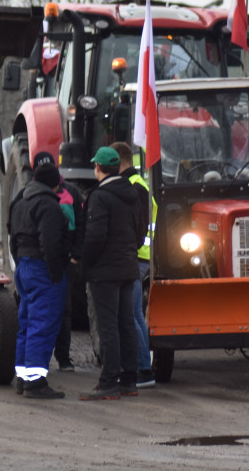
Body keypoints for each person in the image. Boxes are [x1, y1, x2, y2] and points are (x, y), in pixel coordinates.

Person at [79, 146, 141, 401]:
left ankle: (108, 383)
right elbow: (139, 231)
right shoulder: (133, 193)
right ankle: (129, 381)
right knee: (126, 324)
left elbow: (95, 236)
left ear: (98, 168)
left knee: (108, 328)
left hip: (105, 272)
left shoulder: (100, 197)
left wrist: (84, 264)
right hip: (128, 267)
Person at [9, 157, 69, 399]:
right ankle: (36, 383)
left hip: (23, 266)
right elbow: (51, 244)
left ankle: (23, 379)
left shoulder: (19, 201)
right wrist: (56, 274)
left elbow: (11, 234)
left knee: (26, 325)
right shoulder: (48, 205)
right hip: (42, 270)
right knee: (42, 326)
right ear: (54, 184)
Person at [25, 152, 83, 373]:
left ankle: (63, 357)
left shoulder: (72, 192)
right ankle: (38, 362)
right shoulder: (29, 195)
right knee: (38, 313)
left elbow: (80, 226)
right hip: (41, 262)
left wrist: (76, 255)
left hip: (65, 261)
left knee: (63, 311)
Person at [110, 142, 156, 388]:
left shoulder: (134, 187)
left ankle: (143, 369)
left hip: (137, 257)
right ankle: (143, 366)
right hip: (141, 256)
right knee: (135, 314)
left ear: (120, 160)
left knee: (133, 314)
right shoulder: (140, 184)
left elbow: (137, 226)